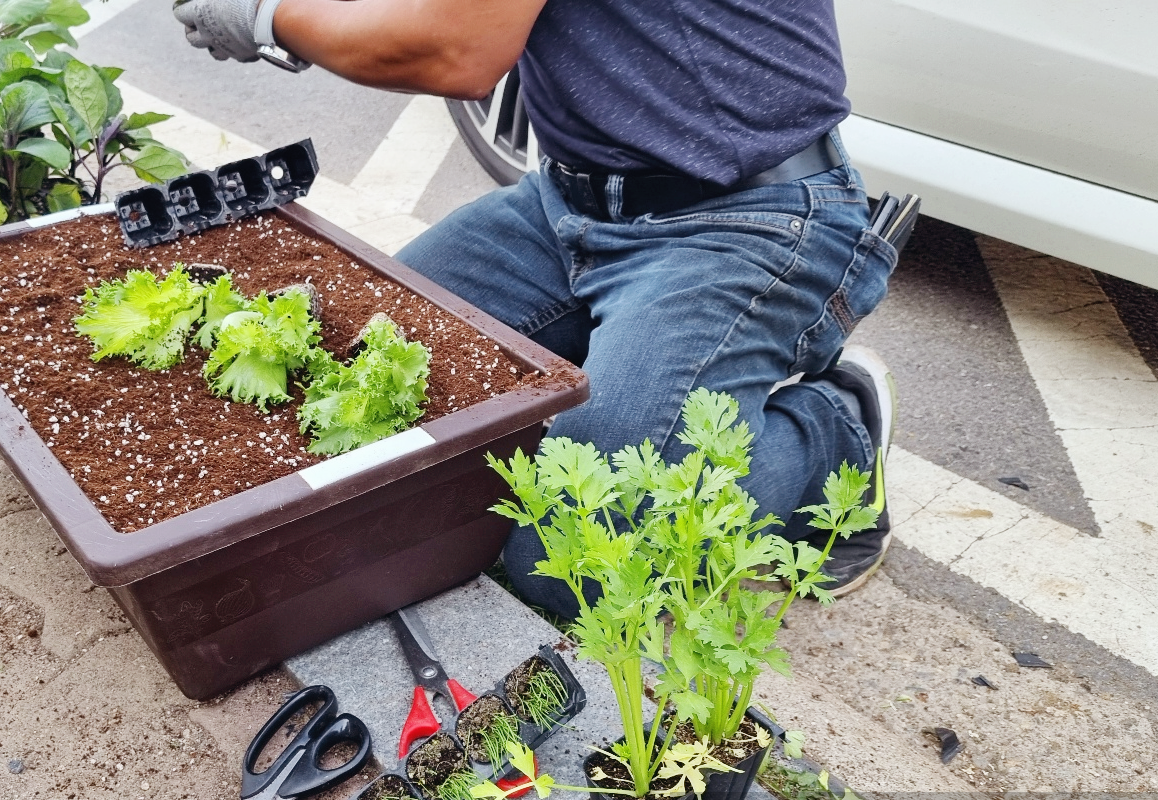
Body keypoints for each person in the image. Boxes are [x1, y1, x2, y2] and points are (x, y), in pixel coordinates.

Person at [172, 0, 900, 618]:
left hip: (745, 220)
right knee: (352, 375)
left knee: (570, 565)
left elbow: (458, 50)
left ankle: (836, 431)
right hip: (567, 206)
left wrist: (268, 17)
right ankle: (628, 380)